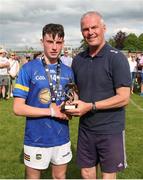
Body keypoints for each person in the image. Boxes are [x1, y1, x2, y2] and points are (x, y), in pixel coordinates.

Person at [66, 11, 131, 179]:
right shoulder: (78, 59)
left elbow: (124, 97)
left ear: (104, 28)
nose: (90, 32)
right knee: (86, 173)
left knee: (108, 175)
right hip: (86, 128)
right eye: (85, 29)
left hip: (110, 129)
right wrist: (69, 104)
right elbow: (76, 91)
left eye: (94, 27)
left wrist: (91, 106)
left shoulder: (116, 58)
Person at [13, 23, 74, 179]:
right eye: (50, 42)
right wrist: (52, 111)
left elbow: (71, 100)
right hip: (36, 138)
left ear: (63, 43)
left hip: (62, 136)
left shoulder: (68, 71)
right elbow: (18, 108)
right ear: (42, 42)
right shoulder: (28, 69)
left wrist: (72, 107)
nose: (54, 47)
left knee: (60, 177)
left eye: (58, 42)